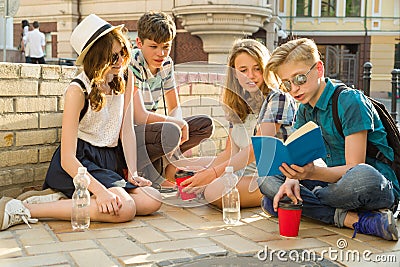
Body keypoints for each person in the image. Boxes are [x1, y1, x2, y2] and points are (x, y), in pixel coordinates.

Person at [0, 14, 187, 231]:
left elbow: (126, 130)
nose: (120, 61)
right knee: (124, 208)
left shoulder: (125, 77)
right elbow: (67, 159)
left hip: (109, 159)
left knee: (152, 198)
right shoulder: (77, 90)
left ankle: (59, 201)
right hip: (79, 164)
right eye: (112, 56)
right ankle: (22, 208)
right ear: (97, 57)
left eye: (122, 53)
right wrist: (101, 192)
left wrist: (133, 173)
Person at [257, 38, 399, 241]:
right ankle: (355, 219)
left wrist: (312, 174)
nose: (294, 89)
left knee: (362, 177)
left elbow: (354, 167)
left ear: (319, 69)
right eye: (286, 84)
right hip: (334, 185)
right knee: (266, 179)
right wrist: (291, 178)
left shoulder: (350, 101)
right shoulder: (304, 109)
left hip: (373, 185)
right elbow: (298, 157)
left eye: (299, 79)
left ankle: (305, 204)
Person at [177, 39, 296, 208]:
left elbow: (258, 148)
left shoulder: (278, 98)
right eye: (243, 70)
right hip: (245, 173)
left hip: (271, 177)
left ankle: (284, 195)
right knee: (193, 166)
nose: (251, 76)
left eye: (257, 68)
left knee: (213, 190)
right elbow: (229, 152)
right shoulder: (240, 103)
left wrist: (212, 175)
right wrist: (199, 176)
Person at [130, 11, 214, 190]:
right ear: (139, 43)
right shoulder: (132, 62)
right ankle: (142, 171)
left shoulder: (166, 64)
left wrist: (179, 124)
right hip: (132, 133)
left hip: (154, 129)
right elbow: (138, 116)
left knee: (204, 124)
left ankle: (168, 167)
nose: (160, 53)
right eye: (153, 47)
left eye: (165, 47)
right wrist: (177, 125)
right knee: (171, 131)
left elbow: (174, 106)